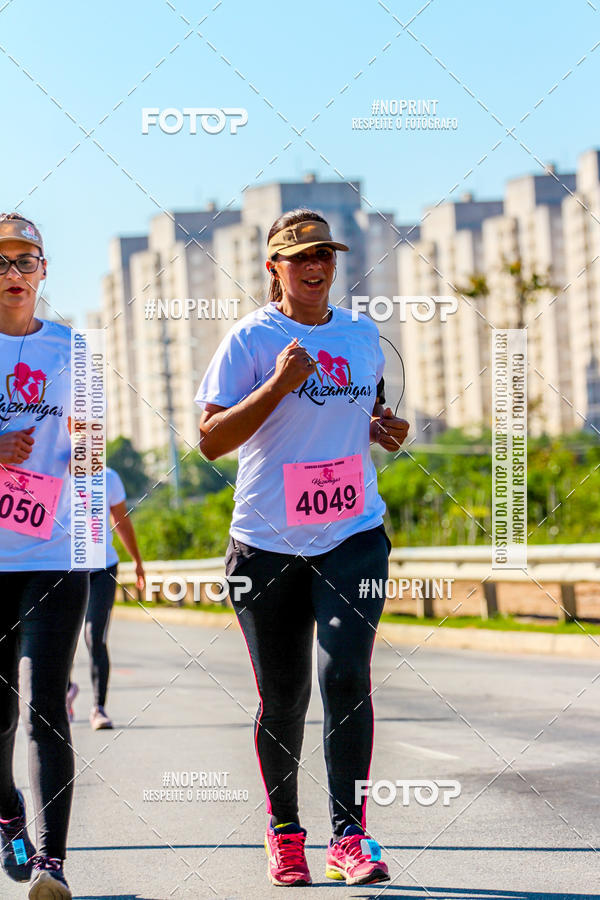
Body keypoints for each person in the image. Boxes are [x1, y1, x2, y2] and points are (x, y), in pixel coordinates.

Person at [196, 209, 409, 887]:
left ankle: (351, 838)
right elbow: (211, 440)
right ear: (275, 269)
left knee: (345, 678)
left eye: (325, 254)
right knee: (283, 697)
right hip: (266, 544)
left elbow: (361, 405)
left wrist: (382, 426)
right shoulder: (252, 338)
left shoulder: (361, 333)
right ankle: (285, 831)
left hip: (353, 533)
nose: (316, 267)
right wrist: (277, 385)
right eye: (300, 257)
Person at [0, 212, 87, 899]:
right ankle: (7, 814)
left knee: (45, 706)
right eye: (0, 263)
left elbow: (89, 450)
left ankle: (50, 865)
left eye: (25, 261)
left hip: (53, 549)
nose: (14, 275)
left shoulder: (73, 349)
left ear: (44, 270)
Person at [67, 466, 146, 730]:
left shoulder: (109, 477)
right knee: (62, 637)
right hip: (64, 569)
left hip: (103, 568)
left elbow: (121, 520)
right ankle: (65, 690)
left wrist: (137, 561)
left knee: (95, 636)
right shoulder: (57, 472)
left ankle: (98, 708)